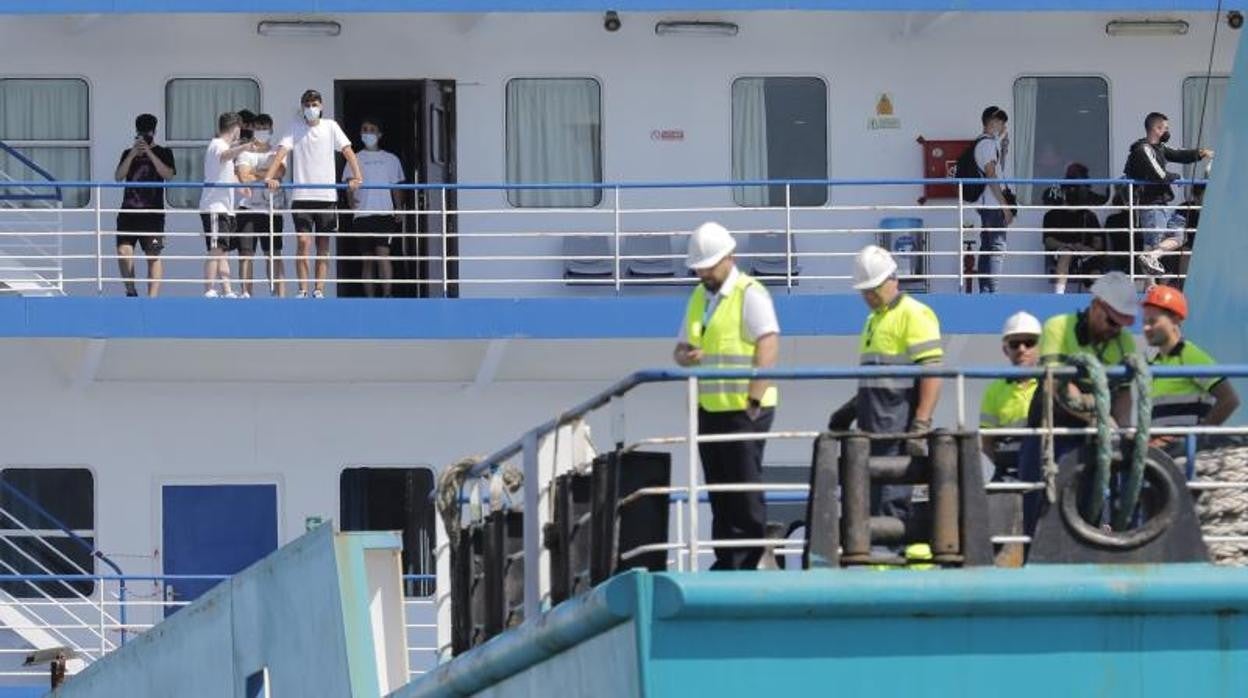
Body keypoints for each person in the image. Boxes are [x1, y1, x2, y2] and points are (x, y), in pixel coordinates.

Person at [673, 222, 780, 570]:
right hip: (711, 407)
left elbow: (768, 342)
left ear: (729, 258)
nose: (702, 272)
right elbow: (680, 348)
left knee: (745, 487)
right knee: (719, 488)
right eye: (699, 268)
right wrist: (685, 356)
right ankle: (727, 558)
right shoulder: (700, 297)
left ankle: (749, 558)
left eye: (708, 266)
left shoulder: (750, 293)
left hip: (746, 407)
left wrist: (754, 396)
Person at [828, 245, 943, 525]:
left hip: (897, 430)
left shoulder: (914, 314)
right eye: (864, 291)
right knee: (869, 502)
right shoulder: (873, 320)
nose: (868, 296)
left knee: (891, 503)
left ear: (893, 279)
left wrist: (921, 424)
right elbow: (877, 376)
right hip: (871, 429)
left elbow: (932, 370)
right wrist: (850, 410)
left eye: (873, 289)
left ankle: (887, 562)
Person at [1018, 272, 1138, 531]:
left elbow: (1124, 395)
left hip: (1092, 440)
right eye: (1110, 321)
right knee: (1039, 517)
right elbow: (1057, 386)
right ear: (1095, 306)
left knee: (1088, 516)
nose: (1114, 329)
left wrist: (1126, 432)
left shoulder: (1124, 343)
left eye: (1121, 324)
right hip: (1049, 436)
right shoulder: (1058, 327)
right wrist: (1102, 417)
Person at [264, 89, 363, 299]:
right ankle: (302, 289)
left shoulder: (331, 126)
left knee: (323, 244)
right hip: (301, 196)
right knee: (303, 241)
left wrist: (358, 176)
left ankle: (319, 289)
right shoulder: (294, 127)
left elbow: (347, 151)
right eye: (307, 105)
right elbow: (281, 152)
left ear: (322, 106)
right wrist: (269, 177)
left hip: (326, 197)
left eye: (315, 104)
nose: (311, 108)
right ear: (302, 107)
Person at [1142, 285, 1239, 455]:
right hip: (1162, 454)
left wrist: (1195, 440)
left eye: (1153, 321)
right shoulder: (1155, 363)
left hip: (1182, 457)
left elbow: (1229, 399)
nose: (1146, 328)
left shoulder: (1190, 355)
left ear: (1175, 319)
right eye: (1144, 322)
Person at [1123, 112, 1212, 275]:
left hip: (1162, 204)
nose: (1167, 132)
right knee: (1153, 244)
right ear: (1156, 129)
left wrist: (1201, 153)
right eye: (1165, 128)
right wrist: (1177, 177)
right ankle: (1150, 288)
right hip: (1150, 206)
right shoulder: (1143, 149)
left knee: (1179, 237)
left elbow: (1179, 154)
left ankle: (1152, 259)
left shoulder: (1160, 148)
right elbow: (1159, 175)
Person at [114, 113, 175, 297]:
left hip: (153, 214)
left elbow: (168, 175)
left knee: (153, 256)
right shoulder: (127, 153)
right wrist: (133, 153)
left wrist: (149, 152)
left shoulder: (164, 152)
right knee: (124, 251)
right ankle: (131, 291)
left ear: (154, 132)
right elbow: (118, 177)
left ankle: (152, 298)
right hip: (128, 212)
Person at [343, 118, 404, 298]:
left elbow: (396, 187)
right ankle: (370, 299)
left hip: (385, 213)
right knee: (367, 260)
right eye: (364, 129)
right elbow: (348, 184)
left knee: (383, 255)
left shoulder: (391, 159)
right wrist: (350, 202)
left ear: (379, 134)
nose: (368, 133)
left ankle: (386, 296)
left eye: (372, 129)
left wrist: (399, 208)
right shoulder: (354, 158)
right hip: (362, 215)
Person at [980, 312, 1041, 482]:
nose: (1022, 349)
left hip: (1047, 469)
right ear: (1005, 350)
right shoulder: (994, 390)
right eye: (1015, 344)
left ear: (1039, 347)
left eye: (1029, 343)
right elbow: (986, 443)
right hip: (1009, 471)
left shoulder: (1053, 384)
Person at [198, 112, 252, 298]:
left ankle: (227, 290)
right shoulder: (218, 145)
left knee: (224, 251)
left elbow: (226, 174)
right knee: (216, 249)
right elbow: (225, 155)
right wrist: (244, 146)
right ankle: (209, 289)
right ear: (235, 128)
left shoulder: (223, 146)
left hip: (225, 207)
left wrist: (241, 188)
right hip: (214, 206)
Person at [235, 113, 287, 297]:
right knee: (246, 254)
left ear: (271, 130)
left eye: (265, 128)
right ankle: (246, 294)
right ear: (253, 130)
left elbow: (279, 171)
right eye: (258, 128)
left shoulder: (277, 152)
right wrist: (265, 175)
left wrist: (254, 173)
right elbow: (243, 177)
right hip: (247, 208)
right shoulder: (244, 152)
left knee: (273, 254)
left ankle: (279, 296)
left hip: (271, 209)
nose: (262, 132)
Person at [1041, 163, 1107, 294]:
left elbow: (1098, 242)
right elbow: (1048, 240)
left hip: (1084, 253)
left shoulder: (1089, 215)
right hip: (1063, 250)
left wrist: (1087, 248)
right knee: (1066, 254)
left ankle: (1099, 301)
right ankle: (1059, 295)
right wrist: (1068, 245)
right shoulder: (1052, 215)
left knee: (1095, 270)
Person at [973, 106, 1014, 294]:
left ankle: (985, 290)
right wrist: (1005, 205)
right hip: (993, 204)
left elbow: (996, 169)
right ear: (992, 121)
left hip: (986, 204)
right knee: (997, 247)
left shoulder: (985, 143)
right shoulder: (987, 145)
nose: (1003, 125)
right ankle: (993, 292)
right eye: (1000, 121)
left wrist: (1002, 148)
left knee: (987, 247)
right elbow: (991, 175)